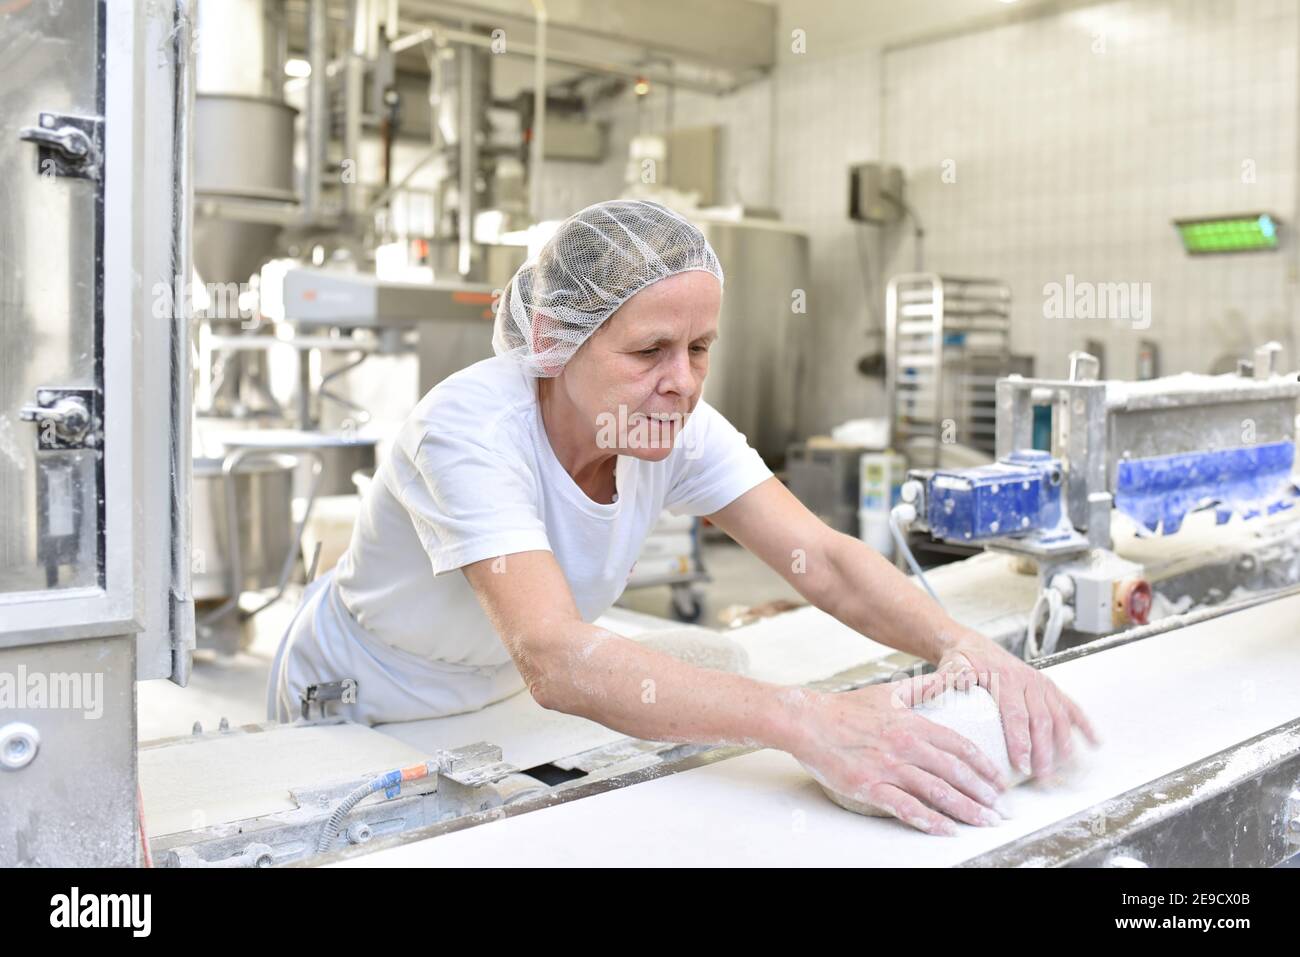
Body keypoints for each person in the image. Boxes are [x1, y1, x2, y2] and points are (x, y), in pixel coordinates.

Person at [268, 198, 1097, 835]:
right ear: (555, 338)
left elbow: (822, 557)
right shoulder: (472, 431)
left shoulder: (671, 426)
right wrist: (806, 720)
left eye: (700, 348)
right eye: (648, 351)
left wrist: (966, 645)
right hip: (363, 707)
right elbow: (555, 655)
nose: (684, 382)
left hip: (495, 704)